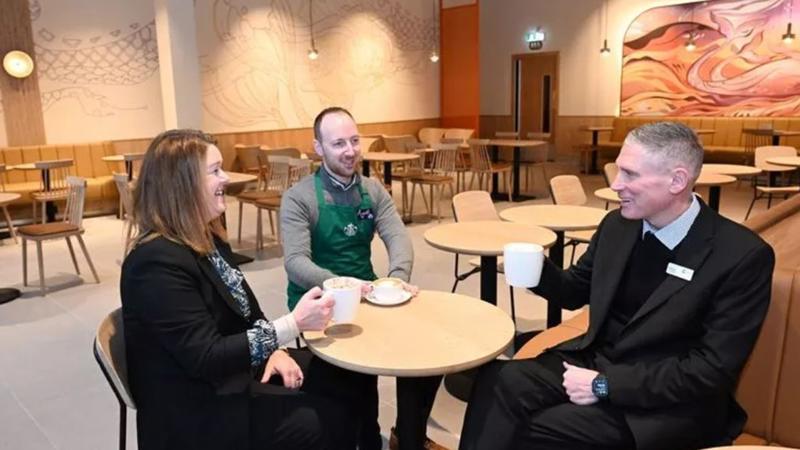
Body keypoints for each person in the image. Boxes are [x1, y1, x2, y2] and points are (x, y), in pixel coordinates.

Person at [459, 122, 775, 450]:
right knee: (497, 380)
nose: (616, 185)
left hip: (669, 402)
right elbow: (574, 290)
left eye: (630, 175)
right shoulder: (618, 225)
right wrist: (535, 270)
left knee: (536, 428)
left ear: (677, 180)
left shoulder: (740, 255)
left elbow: (710, 370)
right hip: (597, 360)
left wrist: (605, 385)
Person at [121, 129, 357, 450]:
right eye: (215, 171)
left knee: (343, 375)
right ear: (182, 185)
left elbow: (248, 311)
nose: (226, 178)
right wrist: (293, 326)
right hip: (194, 412)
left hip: (227, 377)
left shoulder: (207, 237)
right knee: (322, 421)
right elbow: (206, 358)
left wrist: (272, 350)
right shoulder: (155, 263)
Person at [280, 106, 445, 450]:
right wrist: (340, 285)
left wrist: (397, 280)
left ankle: (408, 434)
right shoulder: (299, 197)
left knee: (427, 351)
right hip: (318, 301)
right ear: (319, 148)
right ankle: (364, 437)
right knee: (353, 382)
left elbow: (398, 237)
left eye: (354, 140)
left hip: (368, 294)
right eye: (338, 143)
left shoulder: (373, 191)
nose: (350, 150)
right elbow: (296, 262)